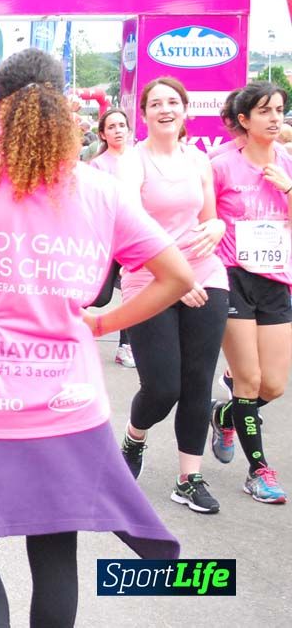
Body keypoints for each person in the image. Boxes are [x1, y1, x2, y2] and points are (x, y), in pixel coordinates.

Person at [0, 48, 188, 626]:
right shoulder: (99, 189)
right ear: (64, 106)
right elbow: (178, 276)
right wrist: (103, 323)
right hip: (70, 401)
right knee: (54, 551)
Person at [119, 77, 228, 515]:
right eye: (156, 104)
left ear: (185, 109)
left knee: (198, 380)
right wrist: (177, 280)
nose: (165, 109)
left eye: (173, 102)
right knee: (163, 388)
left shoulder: (198, 160)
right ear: (144, 113)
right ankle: (134, 437)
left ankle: (189, 478)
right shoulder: (133, 162)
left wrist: (218, 225)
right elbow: (130, 227)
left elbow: (209, 218)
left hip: (206, 274)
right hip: (150, 276)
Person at [210, 81, 292, 504]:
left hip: (276, 280)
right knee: (249, 380)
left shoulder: (288, 162)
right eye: (265, 111)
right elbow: (202, 218)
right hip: (233, 277)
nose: (275, 118)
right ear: (244, 120)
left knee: (273, 386)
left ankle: (225, 414)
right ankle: (258, 471)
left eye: (279, 109)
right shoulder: (221, 165)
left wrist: (288, 188)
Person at [89, 108, 140, 369]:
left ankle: (125, 346)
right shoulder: (98, 165)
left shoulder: (139, 159)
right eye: (111, 127)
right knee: (101, 296)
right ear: (102, 134)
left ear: (129, 130)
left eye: (121, 125)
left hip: (136, 238)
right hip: (108, 239)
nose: (118, 130)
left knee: (132, 293)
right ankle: (65, 322)